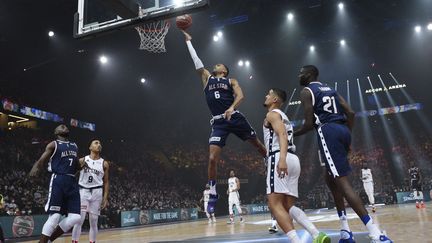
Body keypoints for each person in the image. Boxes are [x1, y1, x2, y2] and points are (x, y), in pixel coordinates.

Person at [293, 65, 393, 243]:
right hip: (343, 130)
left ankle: (375, 233)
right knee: (329, 178)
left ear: (310, 74)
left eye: (301, 72)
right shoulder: (330, 89)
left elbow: (308, 124)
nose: (299, 75)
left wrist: (291, 134)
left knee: (342, 181)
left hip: (328, 131)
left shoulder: (306, 91)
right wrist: (347, 138)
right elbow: (351, 113)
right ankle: (345, 230)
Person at [181, 30, 267, 214]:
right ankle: (212, 192)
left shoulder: (231, 80)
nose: (216, 64)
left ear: (224, 71)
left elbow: (241, 95)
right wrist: (189, 42)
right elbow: (197, 62)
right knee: (212, 158)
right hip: (219, 122)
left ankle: (270, 160)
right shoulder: (207, 78)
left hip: (234, 117)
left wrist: (232, 107)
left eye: (219, 64)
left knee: (257, 145)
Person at [263, 88, 330, 243]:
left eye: (269, 93)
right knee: (288, 206)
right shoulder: (285, 117)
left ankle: (296, 241)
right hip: (294, 159)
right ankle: (316, 234)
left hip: (281, 157)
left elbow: (282, 134)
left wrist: (281, 159)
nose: (266, 95)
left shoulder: (272, 114)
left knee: (274, 205)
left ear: (275, 100)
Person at [29, 125, 82, 243]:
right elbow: (42, 160)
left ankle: (49, 240)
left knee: (76, 217)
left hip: (72, 181)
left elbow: (76, 165)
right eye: (60, 126)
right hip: (59, 179)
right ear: (56, 132)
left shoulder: (74, 146)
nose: (63, 126)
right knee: (55, 217)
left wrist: (83, 164)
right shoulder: (53, 144)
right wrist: (35, 167)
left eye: (64, 126)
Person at [72, 139, 110, 243]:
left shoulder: (104, 163)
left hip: (97, 192)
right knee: (79, 220)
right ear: (90, 147)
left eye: (100, 143)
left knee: (94, 221)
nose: (99, 145)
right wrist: (79, 168)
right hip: (83, 191)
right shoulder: (82, 160)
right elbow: (73, 175)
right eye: (96, 143)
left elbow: (106, 182)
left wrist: (105, 197)